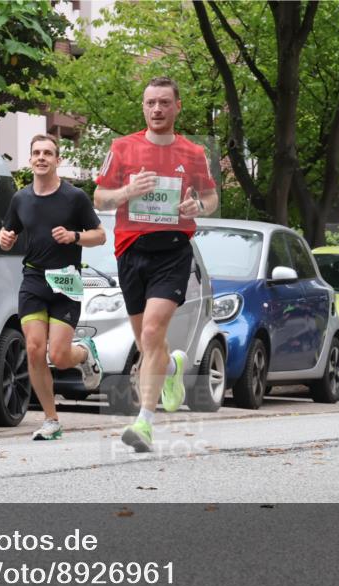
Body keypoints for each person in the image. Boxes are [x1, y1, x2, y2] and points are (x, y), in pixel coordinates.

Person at [94, 76, 219, 452]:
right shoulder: (122, 148)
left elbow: (211, 198)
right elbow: (100, 198)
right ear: (143, 107)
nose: (157, 110)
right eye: (151, 103)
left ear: (178, 106)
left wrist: (198, 207)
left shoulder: (193, 153)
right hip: (130, 251)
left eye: (165, 102)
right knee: (147, 342)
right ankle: (172, 367)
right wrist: (126, 193)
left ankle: (144, 424)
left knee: (151, 334)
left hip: (173, 250)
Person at [0, 134, 106, 440]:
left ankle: (84, 354)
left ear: (57, 160)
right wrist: (3, 239)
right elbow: (7, 232)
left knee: (58, 356)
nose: (41, 157)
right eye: (36, 153)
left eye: (48, 153)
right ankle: (51, 419)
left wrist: (74, 237)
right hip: (33, 279)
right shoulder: (21, 198)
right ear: (30, 160)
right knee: (34, 349)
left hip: (66, 281)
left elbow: (100, 235)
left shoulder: (74, 198)